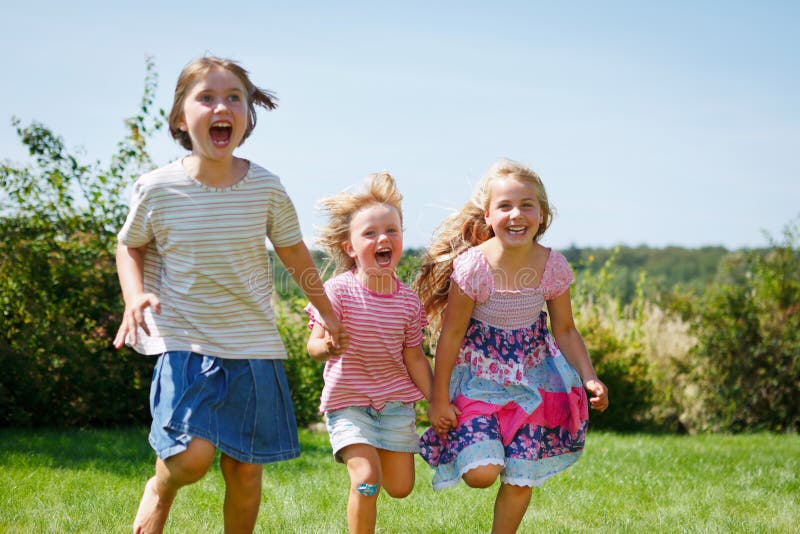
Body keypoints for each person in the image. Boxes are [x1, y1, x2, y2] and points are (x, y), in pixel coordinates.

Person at [113, 56, 347, 534]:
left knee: (244, 469)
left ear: (247, 116)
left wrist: (328, 310)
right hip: (184, 342)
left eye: (234, 97)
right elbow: (129, 244)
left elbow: (295, 257)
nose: (222, 106)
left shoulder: (265, 187)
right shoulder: (157, 189)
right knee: (190, 460)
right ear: (181, 118)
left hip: (253, 347)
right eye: (207, 97)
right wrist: (133, 296)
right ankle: (160, 487)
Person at [415, 158, 609, 533]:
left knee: (520, 479)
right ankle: (482, 443)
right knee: (482, 473)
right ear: (488, 216)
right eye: (504, 206)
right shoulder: (474, 267)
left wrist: (590, 377)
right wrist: (439, 399)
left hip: (533, 383)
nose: (516, 214)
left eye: (526, 205)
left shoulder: (552, 266)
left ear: (541, 214)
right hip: (478, 379)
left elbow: (565, 330)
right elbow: (451, 335)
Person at [304, 172, 435, 534]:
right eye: (371, 233)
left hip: (394, 405)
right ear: (350, 247)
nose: (384, 238)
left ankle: (375, 458)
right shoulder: (338, 292)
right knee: (367, 478)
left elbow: (414, 357)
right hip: (348, 402)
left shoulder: (408, 302)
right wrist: (327, 346)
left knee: (400, 487)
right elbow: (313, 345)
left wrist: (438, 398)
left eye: (392, 230)